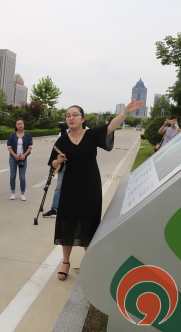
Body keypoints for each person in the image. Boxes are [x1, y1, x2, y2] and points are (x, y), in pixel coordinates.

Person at [49, 100, 143, 281]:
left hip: (90, 187)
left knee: (89, 224)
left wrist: (126, 112)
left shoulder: (91, 135)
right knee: (67, 224)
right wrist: (58, 161)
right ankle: (66, 262)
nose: (71, 118)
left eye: (75, 115)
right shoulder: (62, 140)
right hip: (70, 188)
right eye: (68, 115)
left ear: (83, 118)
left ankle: (91, 262)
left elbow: (110, 126)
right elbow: (53, 163)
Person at [43, 124, 88, 218]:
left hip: (79, 166)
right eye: (68, 117)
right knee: (59, 187)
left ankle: (76, 210)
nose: (71, 119)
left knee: (77, 188)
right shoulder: (63, 133)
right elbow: (58, 149)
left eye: (74, 117)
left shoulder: (86, 131)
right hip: (64, 165)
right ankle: (55, 209)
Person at [7, 119, 33, 201]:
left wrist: (24, 155)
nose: (20, 125)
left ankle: (22, 194)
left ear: (24, 124)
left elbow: (30, 147)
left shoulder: (28, 135)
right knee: (12, 176)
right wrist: (15, 155)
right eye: (18, 124)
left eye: (21, 123)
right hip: (13, 158)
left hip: (23, 158)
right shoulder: (12, 135)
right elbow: (9, 147)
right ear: (16, 126)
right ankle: (13, 193)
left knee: (22, 177)